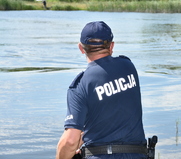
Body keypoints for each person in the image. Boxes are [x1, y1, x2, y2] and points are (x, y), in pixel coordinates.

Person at [56, 21, 148, 159]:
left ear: (81, 48)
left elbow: (70, 141)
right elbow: (109, 114)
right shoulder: (128, 66)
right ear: (111, 46)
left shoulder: (80, 85)